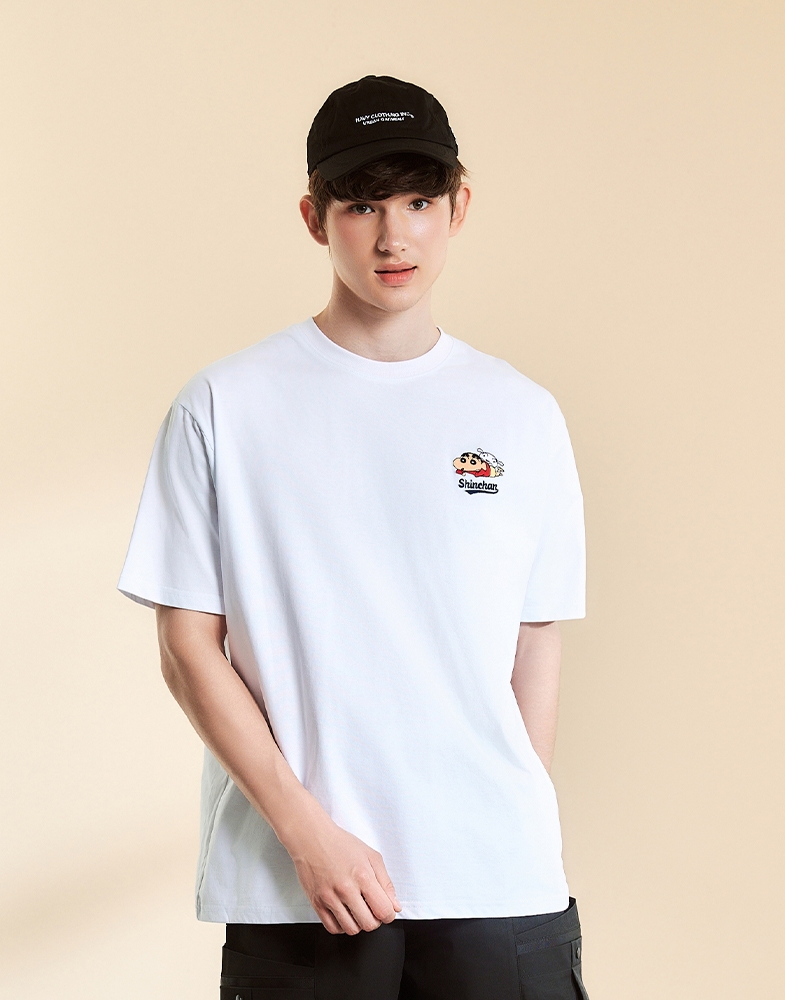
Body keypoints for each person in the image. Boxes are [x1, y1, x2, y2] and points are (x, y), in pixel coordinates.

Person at [118, 74, 590, 1000]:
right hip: (303, 891)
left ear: (458, 208)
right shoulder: (226, 406)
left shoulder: (522, 413)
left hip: (499, 884)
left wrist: (510, 826)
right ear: (314, 217)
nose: (392, 236)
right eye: (362, 205)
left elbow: (535, 638)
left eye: (418, 202)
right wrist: (306, 833)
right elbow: (187, 648)